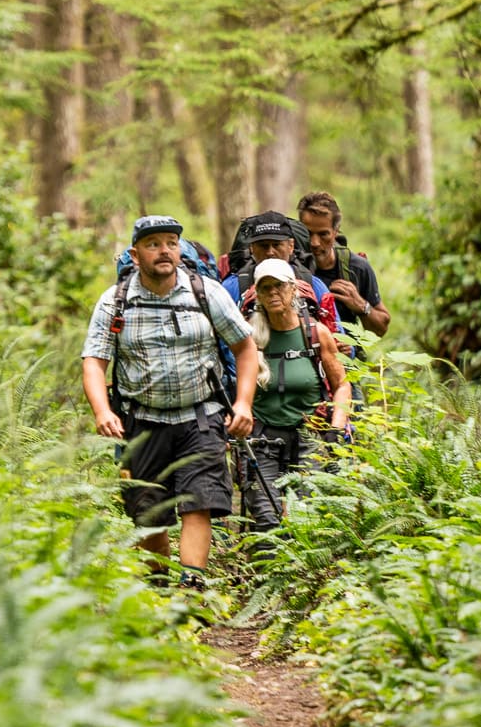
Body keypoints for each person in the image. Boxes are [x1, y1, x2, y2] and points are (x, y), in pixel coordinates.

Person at [82, 214, 259, 595]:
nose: (164, 251)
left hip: (202, 417)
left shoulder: (206, 293)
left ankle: (191, 585)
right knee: (150, 514)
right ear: (135, 253)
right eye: (153, 244)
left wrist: (243, 403)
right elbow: (94, 362)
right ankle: (160, 585)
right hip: (142, 422)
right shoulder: (115, 301)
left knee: (200, 501)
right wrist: (102, 411)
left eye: (171, 243)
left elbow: (245, 348)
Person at [245, 259, 353, 530]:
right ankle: (268, 569)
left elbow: (342, 384)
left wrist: (336, 429)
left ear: (293, 289)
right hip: (263, 438)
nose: (273, 293)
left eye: (279, 286)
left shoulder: (316, 333)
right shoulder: (249, 337)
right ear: (257, 293)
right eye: (265, 287)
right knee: (265, 518)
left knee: (305, 516)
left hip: (309, 435)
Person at [221, 212, 341, 336]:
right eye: (263, 246)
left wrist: (341, 346)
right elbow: (221, 339)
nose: (270, 252)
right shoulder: (233, 287)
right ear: (251, 248)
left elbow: (338, 334)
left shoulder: (312, 284)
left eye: (276, 245)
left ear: (291, 246)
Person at [297, 190, 390, 339]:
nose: (314, 243)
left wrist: (361, 305)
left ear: (336, 232)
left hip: (346, 358)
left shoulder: (356, 268)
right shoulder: (288, 267)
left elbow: (381, 329)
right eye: (308, 233)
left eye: (323, 234)